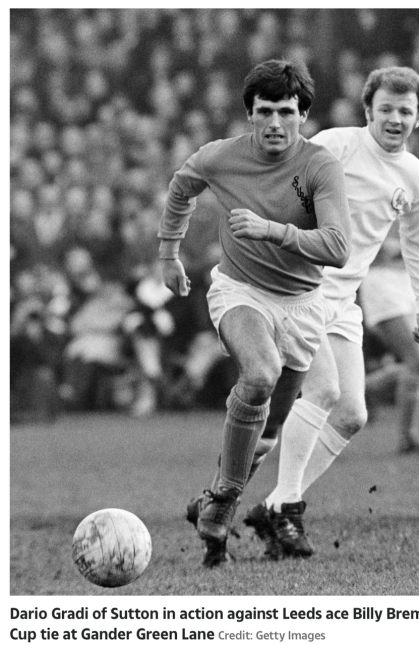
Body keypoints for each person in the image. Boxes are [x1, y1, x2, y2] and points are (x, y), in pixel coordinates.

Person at [157, 59, 351, 566]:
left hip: (304, 307)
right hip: (240, 292)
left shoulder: (319, 166)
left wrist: (271, 230)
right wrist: (168, 253)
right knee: (259, 374)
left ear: (303, 114)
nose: (274, 123)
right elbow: (181, 187)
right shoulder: (220, 158)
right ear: (249, 114)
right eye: (264, 111)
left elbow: (336, 247)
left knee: (267, 432)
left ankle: (211, 499)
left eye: (286, 112)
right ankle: (222, 503)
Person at [243, 66, 419, 559]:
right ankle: (283, 507)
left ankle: (268, 501)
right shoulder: (337, 146)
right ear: (368, 110)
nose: (395, 119)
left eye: (405, 111)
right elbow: (282, 186)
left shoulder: (414, 176)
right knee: (325, 391)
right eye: (387, 110)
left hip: (343, 300)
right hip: (300, 289)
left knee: (352, 414)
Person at [360, 234, 419, 453]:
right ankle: (408, 440)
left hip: (413, 280)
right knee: (416, 363)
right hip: (382, 279)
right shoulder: (361, 199)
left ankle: (359, 389)